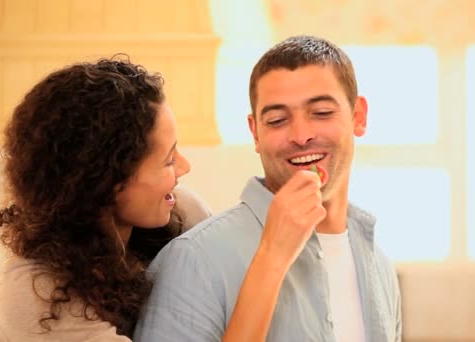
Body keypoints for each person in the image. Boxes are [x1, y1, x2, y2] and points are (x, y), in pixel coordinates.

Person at [135, 35, 402, 342]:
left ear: (359, 117)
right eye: (277, 120)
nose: (301, 136)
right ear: (256, 133)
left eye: (322, 113)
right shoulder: (194, 261)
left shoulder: (379, 267)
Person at [0, 56, 212, 341]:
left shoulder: (182, 212)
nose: (185, 168)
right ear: (105, 181)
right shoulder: (38, 295)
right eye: (168, 161)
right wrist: (269, 261)